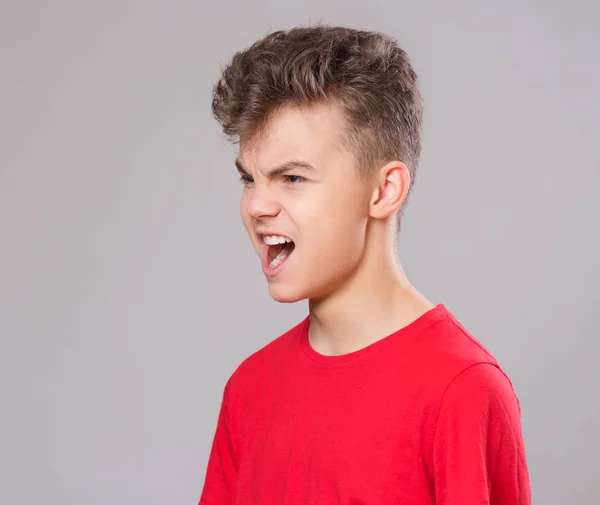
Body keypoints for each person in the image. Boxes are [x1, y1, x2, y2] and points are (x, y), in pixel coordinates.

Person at [199, 24, 531, 505]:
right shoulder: (248, 391)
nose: (255, 206)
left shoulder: (460, 391)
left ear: (384, 191)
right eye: (250, 179)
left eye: (291, 177)